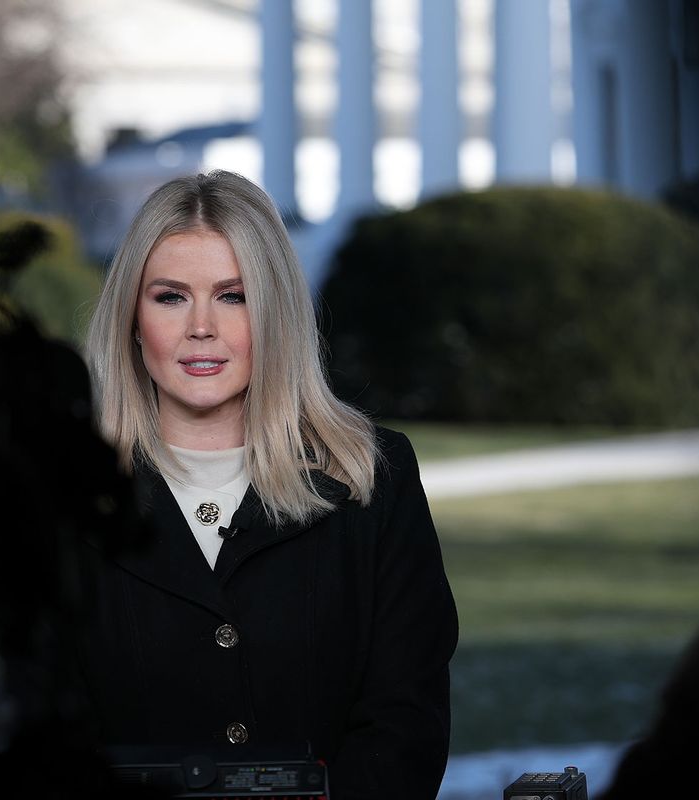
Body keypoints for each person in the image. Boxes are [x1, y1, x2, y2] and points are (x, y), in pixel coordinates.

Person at [78, 170, 458, 799]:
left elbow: (405, 729)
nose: (202, 326)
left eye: (234, 295)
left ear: (275, 311)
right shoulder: (66, 497)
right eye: (171, 296)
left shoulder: (374, 480)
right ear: (131, 316)